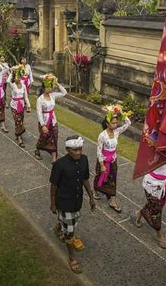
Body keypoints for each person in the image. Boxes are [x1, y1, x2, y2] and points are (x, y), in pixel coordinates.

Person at [50, 135, 95, 274]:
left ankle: (60, 227)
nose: (78, 153)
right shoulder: (59, 164)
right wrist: (52, 203)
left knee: (73, 222)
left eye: (80, 149)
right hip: (64, 201)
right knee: (70, 231)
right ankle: (71, 257)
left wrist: (91, 197)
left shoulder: (84, 160)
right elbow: (54, 185)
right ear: (68, 149)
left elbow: (85, 179)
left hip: (77, 200)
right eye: (74, 150)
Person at [93, 104, 132, 213]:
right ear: (107, 123)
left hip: (113, 161)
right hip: (103, 161)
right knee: (100, 175)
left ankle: (112, 200)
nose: (115, 125)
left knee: (112, 179)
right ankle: (96, 190)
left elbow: (128, 123)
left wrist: (122, 114)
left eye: (116, 123)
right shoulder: (102, 135)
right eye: (113, 123)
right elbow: (99, 151)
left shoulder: (117, 132)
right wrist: (101, 165)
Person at [135, 150, 166, 249]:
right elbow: (147, 162)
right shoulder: (155, 149)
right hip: (151, 183)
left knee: (153, 204)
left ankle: (140, 213)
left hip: (163, 184)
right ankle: (159, 234)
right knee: (156, 209)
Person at [35, 74, 67, 163]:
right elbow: (39, 113)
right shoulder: (40, 99)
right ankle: (37, 150)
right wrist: (43, 125)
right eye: (48, 87)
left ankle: (54, 156)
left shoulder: (53, 95)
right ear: (44, 88)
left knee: (54, 137)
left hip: (53, 120)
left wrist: (57, 84)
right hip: (44, 121)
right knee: (43, 137)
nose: (50, 89)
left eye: (51, 87)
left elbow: (64, 93)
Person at [7, 65, 31, 147]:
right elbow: (7, 81)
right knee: (18, 121)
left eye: (19, 76)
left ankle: (17, 134)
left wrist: (28, 105)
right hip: (14, 106)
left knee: (21, 121)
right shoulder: (13, 85)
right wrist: (12, 71)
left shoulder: (23, 85)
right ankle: (19, 138)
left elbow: (26, 97)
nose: (17, 78)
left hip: (22, 106)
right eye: (16, 77)